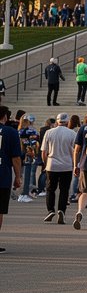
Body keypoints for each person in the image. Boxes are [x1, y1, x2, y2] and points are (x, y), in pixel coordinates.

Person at [41, 113, 76, 224]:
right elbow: (75, 150)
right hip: (66, 165)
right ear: (67, 122)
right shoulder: (72, 133)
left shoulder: (49, 132)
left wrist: (46, 163)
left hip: (52, 164)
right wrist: (75, 164)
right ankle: (61, 210)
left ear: (57, 121)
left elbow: (44, 151)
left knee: (50, 189)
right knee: (64, 190)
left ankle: (50, 210)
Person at [0, 105, 23, 252]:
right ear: (5, 117)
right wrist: (18, 176)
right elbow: (16, 158)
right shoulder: (11, 132)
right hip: (2, 174)